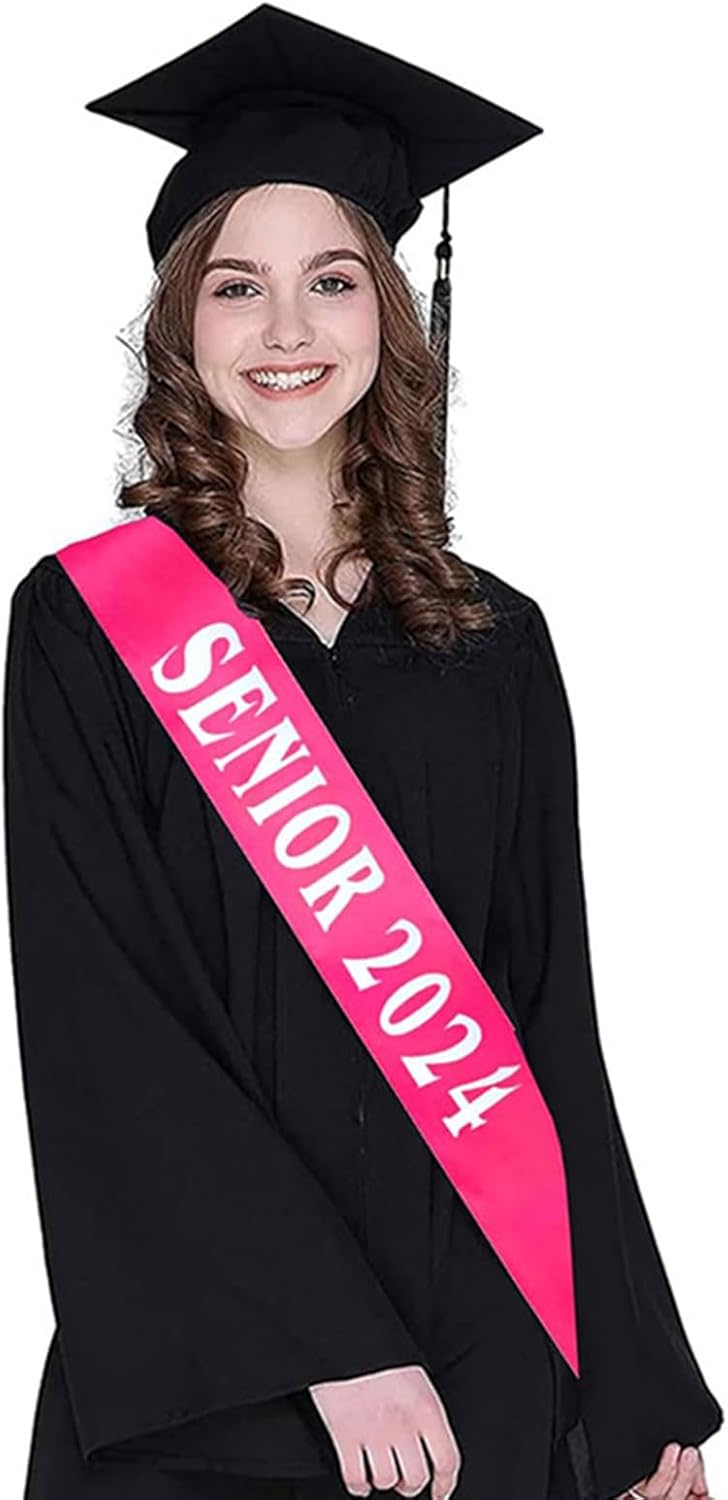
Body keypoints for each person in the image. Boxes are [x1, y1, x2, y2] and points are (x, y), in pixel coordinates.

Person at [2, 9, 723, 1500]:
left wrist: (636, 1383)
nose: (287, 332)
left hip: (484, 1354)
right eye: (237, 287)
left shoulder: (494, 639)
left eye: (331, 281)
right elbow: (102, 1021)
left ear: (390, 313)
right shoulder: (89, 626)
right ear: (180, 328)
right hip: (217, 1384)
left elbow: (547, 1012)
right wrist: (320, 1340)